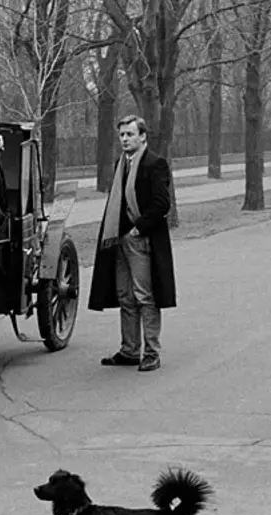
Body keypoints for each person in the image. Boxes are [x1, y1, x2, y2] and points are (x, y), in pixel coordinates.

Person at [88, 115, 176, 372]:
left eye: (130, 134)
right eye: (122, 135)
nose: (125, 139)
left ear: (143, 136)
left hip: (142, 240)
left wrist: (139, 229)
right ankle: (129, 350)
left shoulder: (155, 163)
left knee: (145, 296)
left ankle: (151, 352)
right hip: (119, 239)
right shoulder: (121, 165)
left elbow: (162, 204)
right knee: (125, 296)